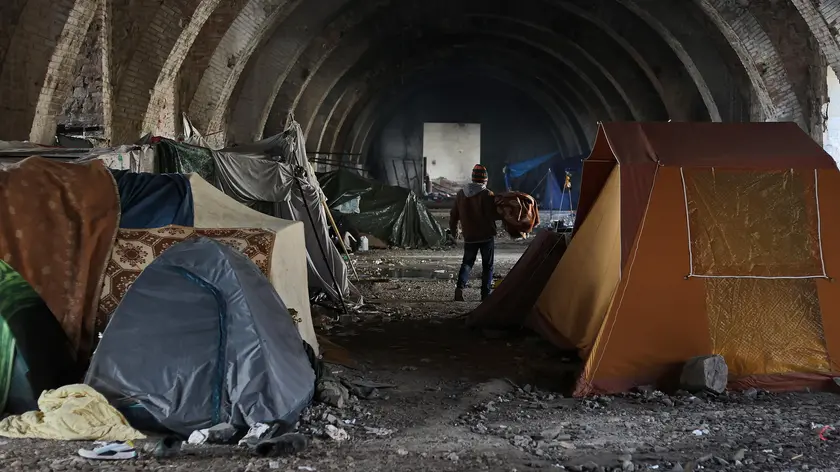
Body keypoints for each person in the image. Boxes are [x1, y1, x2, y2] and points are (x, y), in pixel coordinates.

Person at [449, 164, 498, 301]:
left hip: (469, 236)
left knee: (467, 263)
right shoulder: (487, 194)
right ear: (484, 180)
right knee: (487, 266)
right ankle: (485, 294)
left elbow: (453, 215)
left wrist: (454, 231)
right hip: (486, 235)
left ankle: (459, 288)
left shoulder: (461, 194)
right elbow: (492, 214)